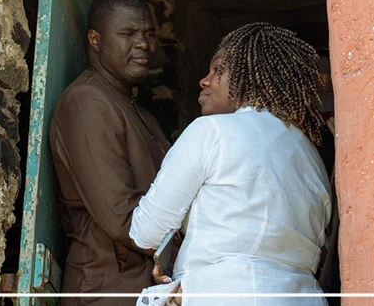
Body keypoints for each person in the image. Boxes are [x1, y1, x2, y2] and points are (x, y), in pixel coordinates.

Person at [129, 22, 332, 305]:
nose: (205, 80)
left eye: (218, 70)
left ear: (253, 77)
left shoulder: (211, 131)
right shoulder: (313, 160)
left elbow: (146, 232)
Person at [50, 0, 172, 305]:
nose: (144, 44)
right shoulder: (87, 101)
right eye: (128, 33)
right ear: (95, 40)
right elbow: (121, 215)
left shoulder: (138, 112)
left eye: (149, 33)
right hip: (105, 288)